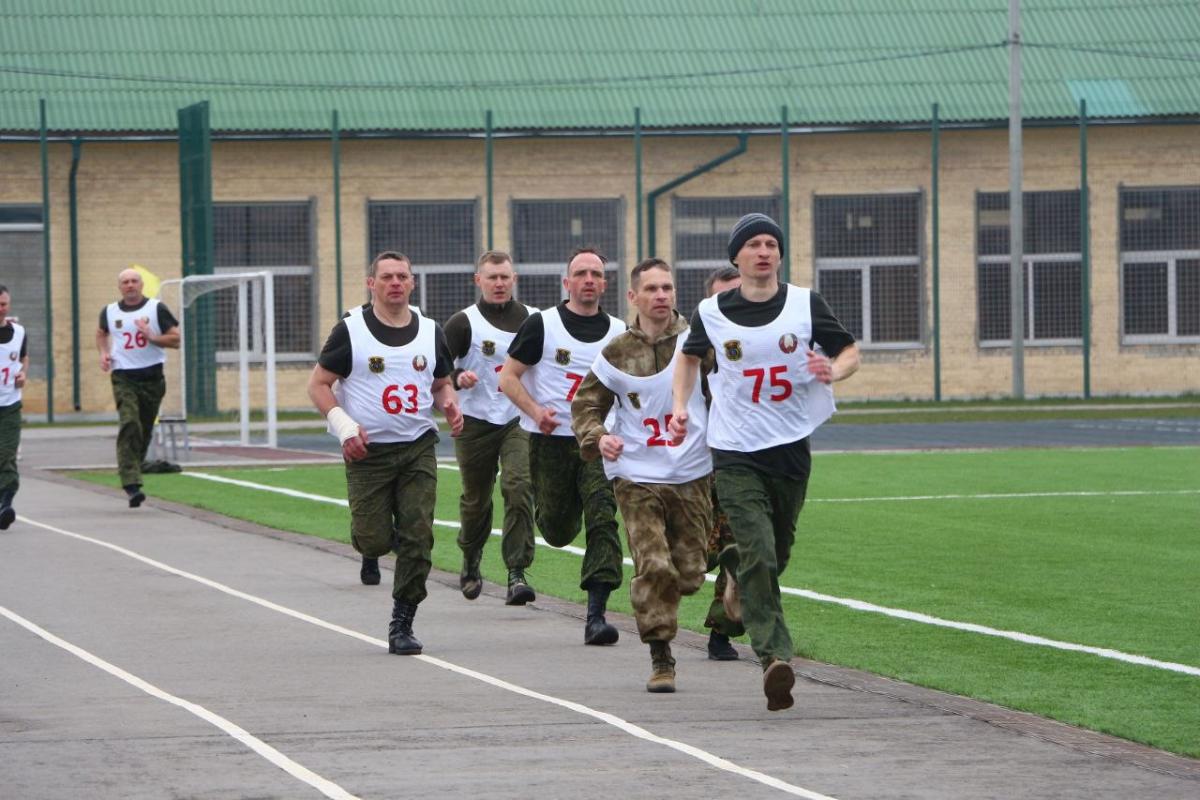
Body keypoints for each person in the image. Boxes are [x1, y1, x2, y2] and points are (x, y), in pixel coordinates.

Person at [671, 213, 860, 711]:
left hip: (791, 445)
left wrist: (833, 369)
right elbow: (687, 358)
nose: (763, 251)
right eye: (753, 244)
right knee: (759, 551)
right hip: (735, 449)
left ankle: (735, 575)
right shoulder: (712, 312)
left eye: (771, 244)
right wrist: (679, 407)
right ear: (736, 257)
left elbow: (849, 351)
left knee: (776, 554)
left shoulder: (804, 303)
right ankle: (774, 657)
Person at [308, 251, 464, 655]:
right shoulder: (351, 330)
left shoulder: (430, 330)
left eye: (402, 277)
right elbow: (318, 384)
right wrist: (345, 427)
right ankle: (374, 547)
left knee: (419, 535)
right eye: (387, 277)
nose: (395, 283)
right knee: (372, 539)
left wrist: (449, 403)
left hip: (417, 446)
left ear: (412, 282)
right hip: (368, 452)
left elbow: (441, 383)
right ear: (371, 284)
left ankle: (402, 622)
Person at [571, 258, 712, 692]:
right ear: (633, 296)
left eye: (667, 288)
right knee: (653, 564)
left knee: (689, 573)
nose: (661, 296)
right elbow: (585, 406)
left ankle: (678, 594)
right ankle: (661, 656)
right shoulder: (616, 353)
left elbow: (729, 391)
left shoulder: (697, 341)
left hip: (691, 470)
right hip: (635, 474)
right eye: (651, 289)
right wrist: (599, 438)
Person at [499, 247, 625, 645]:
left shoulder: (619, 332)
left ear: (605, 283)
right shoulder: (543, 325)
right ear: (566, 282)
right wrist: (536, 412)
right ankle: (551, 520)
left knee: (603, 517)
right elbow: (507, 377)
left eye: (596, 274)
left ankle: (596, 615)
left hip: (598, 442)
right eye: (581, 273)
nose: (589, 280)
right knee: (556, 529)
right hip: (549, 442)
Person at [443, 250, 537, 605]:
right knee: (476, 498)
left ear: (514, 280)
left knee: (519, 485)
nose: (499, 283)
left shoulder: (533, 320)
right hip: (476, 421)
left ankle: (517, 571)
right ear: (478, 280)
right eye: (492, 277)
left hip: (518, 417)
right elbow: (436, 367)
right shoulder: (462, 323)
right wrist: (457, 376)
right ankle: (471, 556)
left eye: (504, 277)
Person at [96, 268, 181, 508]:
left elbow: (176, 339)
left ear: (141, 285)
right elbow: (101, 333)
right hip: (124, 376)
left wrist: (152, 337)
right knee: (129, 422)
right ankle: (131, 483)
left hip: (152, 377)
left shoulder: (156, 308)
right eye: (125, 282)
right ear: (119, 287)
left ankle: (135, 466)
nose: (130, 285)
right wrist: (103, 353)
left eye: (134, 281)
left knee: (143, 429)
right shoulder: (109, 311)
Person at [701, 265, 747, 662]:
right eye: (723, 297)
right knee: (695, 555)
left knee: (740, 549)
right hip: (694, 466)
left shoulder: (762, 343)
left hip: (741, 464)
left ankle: (722, 631)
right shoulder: (691, 349)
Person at [0, 286, 28, 530]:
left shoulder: (18, 332)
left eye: (3, 304)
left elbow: (23, 357)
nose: (0, 309)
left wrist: (22, 373)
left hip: (9, 403)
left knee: (7, 454)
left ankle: (6, 504)